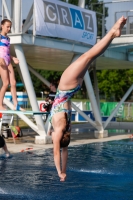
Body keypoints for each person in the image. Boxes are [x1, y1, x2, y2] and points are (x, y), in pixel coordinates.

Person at [49, 16, 127, 182]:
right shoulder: (58, 131)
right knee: (87, 55)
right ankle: (112, 32)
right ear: (59, 137)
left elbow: (64, 151)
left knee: (91, 57)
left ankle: (113, 34)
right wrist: (58, 172)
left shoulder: (65, 127)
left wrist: (63, 172)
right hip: (65, 87)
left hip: (73, 88)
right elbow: (58, 152)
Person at [0, 19, 24, 111]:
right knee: (5, 83)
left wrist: (13, 58)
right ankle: (0, 104)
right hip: (1, 62)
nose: (9, 29)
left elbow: (7, 52)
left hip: (8, 61)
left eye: (10, 27)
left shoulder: (8, 39)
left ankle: (16, 104)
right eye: (7, 26)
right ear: (2, 26)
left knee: (13, 83)